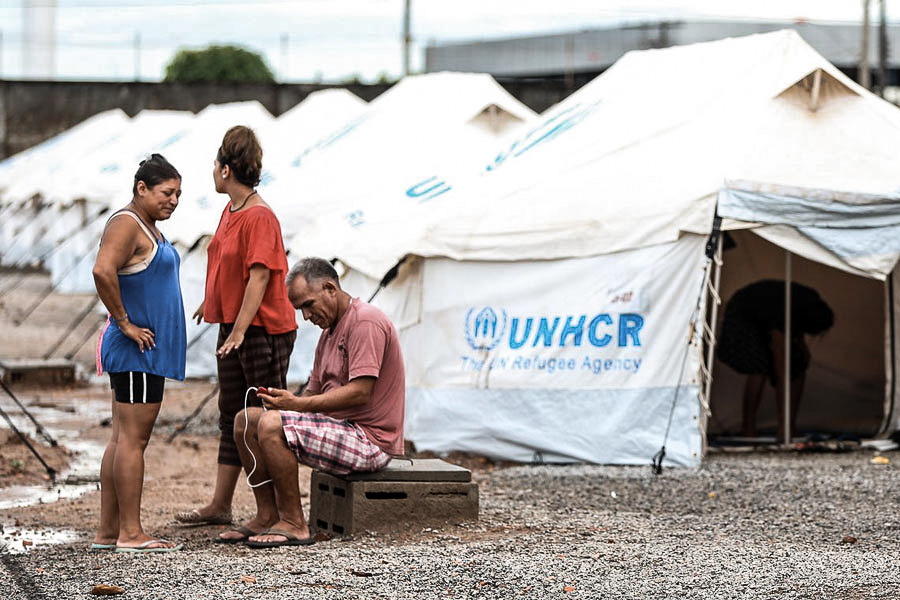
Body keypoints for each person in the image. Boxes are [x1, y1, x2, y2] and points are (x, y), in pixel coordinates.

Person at [173, 126, 298, 542]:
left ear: (226, 169)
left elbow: (259, 276)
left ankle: (279, 512)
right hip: (235, 326)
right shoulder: (231, 211)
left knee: (263, 419)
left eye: (215, 164)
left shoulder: (259, 215)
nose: (212, 171)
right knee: (232, 416)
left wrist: (240, 329)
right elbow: (228, 269)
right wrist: (212, 306)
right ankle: (221, 504)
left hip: (260, 329)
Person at [235, 257, 405, 548]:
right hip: (341, 429)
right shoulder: (328, 333)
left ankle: (294, 523)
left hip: (370, 441)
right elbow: (312, 395)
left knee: (273, 425)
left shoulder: (365, 321)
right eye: (300, 308)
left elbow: (360, 392)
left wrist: (294, 407)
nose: (305, 316)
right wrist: (283, 402)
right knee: (245, 420)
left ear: (329, 287)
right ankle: (267, 515)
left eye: (308, 304)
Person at [92, 154, 186, 552]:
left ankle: (108, 533)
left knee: (121, 439)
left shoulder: (147, 226)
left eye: (179, 193)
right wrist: (125, 322)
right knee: (132, 440)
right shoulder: (127, 223)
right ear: (141, 188)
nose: (175, 200)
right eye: (167, 192)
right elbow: (102, 270)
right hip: (136, 350)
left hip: (144, 352)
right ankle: (130, 533)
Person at [716, 279, 834, 440]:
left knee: (799, 364)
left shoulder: (809, 302)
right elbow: (781, 363)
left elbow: (797, 328)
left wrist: (802, 350)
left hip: (766, 313)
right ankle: (749, 428)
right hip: (744, 314)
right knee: (759, 368)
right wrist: (782, 379)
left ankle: (789, 426)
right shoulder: (781, 311)